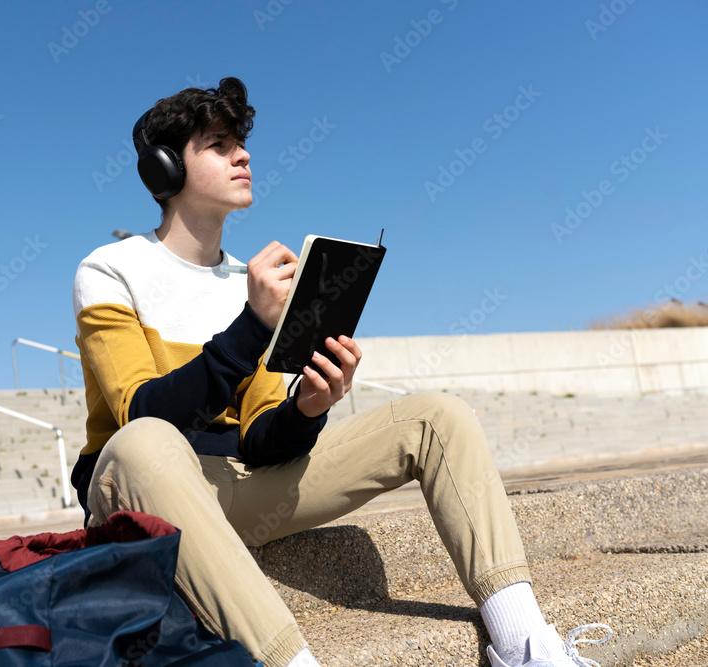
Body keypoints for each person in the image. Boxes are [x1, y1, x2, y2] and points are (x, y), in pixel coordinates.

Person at [70, 77, 611, 667]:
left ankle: (527, 646)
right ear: (165, 169)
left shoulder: (248, 283)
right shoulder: (111, 269)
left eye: (241, 142)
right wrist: (252, 326)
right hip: (143, 489)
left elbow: (259, 440)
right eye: (219, 144)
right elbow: (143, 415)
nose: (244, 155)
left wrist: (308, 408)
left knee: (438, 417)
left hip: (237, 487)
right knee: (147, 442)